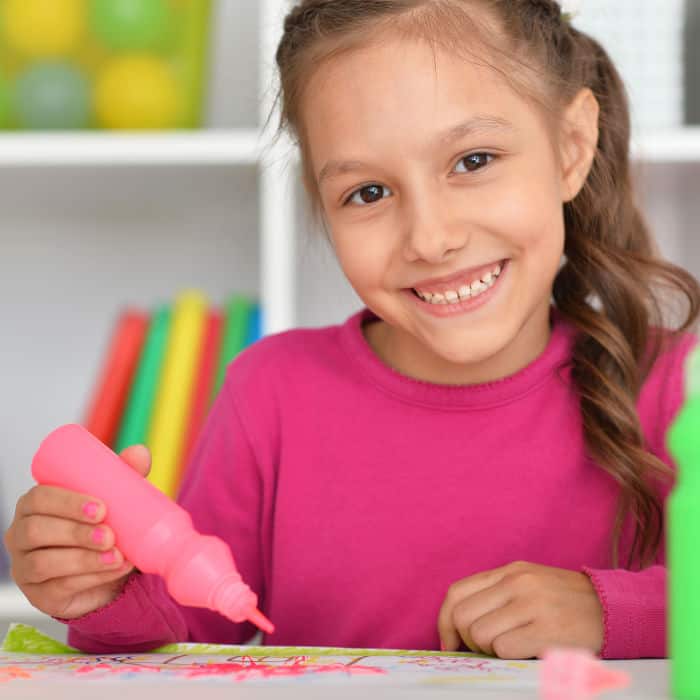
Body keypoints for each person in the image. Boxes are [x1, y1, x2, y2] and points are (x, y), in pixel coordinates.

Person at [5, 0, 699, 659]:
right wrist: (102, 592)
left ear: (573, 146)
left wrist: (606, 610)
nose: (430, 238)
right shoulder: (272, 391)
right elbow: (188, 625)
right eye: (368, 192)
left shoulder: (677, 385)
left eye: (474, 161)